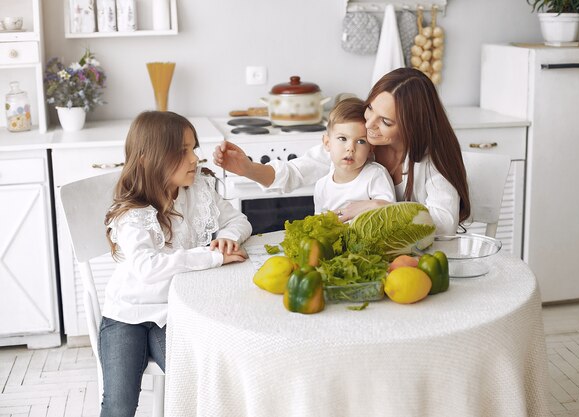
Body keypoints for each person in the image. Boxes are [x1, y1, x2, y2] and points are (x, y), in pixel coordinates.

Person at [101, 111, 252, 416]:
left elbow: (239, 219)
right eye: (182, 151)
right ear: (147, 158)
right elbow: (148, 268)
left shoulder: (197, 190)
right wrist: (212, 257)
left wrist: (227, 237)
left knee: (194, 387)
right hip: (126, 315)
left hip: (175, 312)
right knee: (119, 404)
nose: (195, 158)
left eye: (193, 148)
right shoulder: (132, 213)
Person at [213, 67, 470, 235]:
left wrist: (380, 208)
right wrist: (248, 169)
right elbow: (294, 173)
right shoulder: (356, 141)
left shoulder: (431, 160)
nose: (369, 125)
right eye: (370, 109)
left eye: (386, 122)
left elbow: (445, 223)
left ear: (413, 126)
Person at [314, 97, 395, 215]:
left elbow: (390, 213)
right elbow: (318, 222)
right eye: (342, 138)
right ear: (327, 143)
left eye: (361, 141)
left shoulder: (375, 175)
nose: (350, 148)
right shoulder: (321, 186)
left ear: (370, 149)